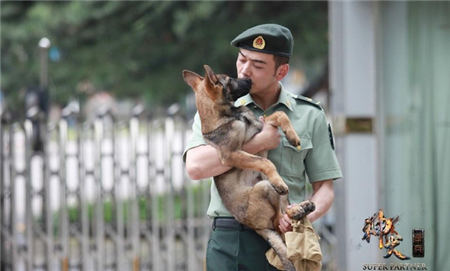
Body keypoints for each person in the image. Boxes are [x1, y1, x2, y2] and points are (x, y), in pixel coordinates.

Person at [183, 23, 342, 271]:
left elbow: (325, 189)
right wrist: (259, 142)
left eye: (257, 65)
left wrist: (301, 219)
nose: (245, 71)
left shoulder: (310, 115)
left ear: (281, 71)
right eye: (242, 60)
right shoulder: (215, 110)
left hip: (287, 238)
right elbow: (195, 168)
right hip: (231, 242)